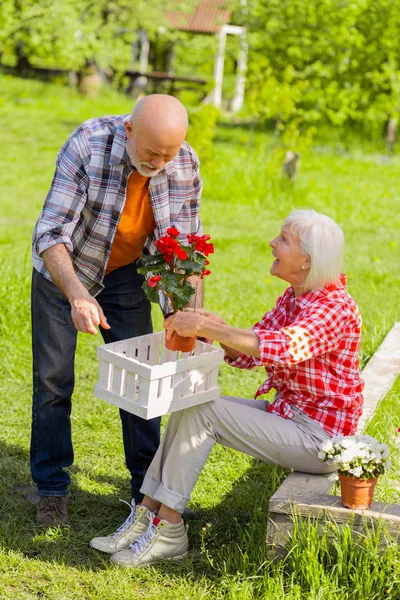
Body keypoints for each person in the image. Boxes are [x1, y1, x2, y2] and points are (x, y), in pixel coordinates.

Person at [89, 209, 364, 567]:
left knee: (205, 408)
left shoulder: (334, 307)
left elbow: (281, 346)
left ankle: (169, 529)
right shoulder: (296, 298)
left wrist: (214, 330)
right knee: (193, 402)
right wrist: (206, 325)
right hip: (291, 416)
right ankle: (147, 513)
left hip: (321, 440)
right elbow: (250, 354)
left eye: (283, 239)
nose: (272, 243)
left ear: (306, 260)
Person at [31, 94, 204, 525]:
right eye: (152, 152)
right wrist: (77, 295)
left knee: (143, 380)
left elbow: (186, 251)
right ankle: (51, 488)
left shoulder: (183, 162)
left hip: (125, 275)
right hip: (65, 271)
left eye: (169, 153)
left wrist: (188, 318)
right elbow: (51, 234)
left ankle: (146, 491)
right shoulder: (87, 145)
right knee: (54, 379)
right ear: (129, 130)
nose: (160, 162)